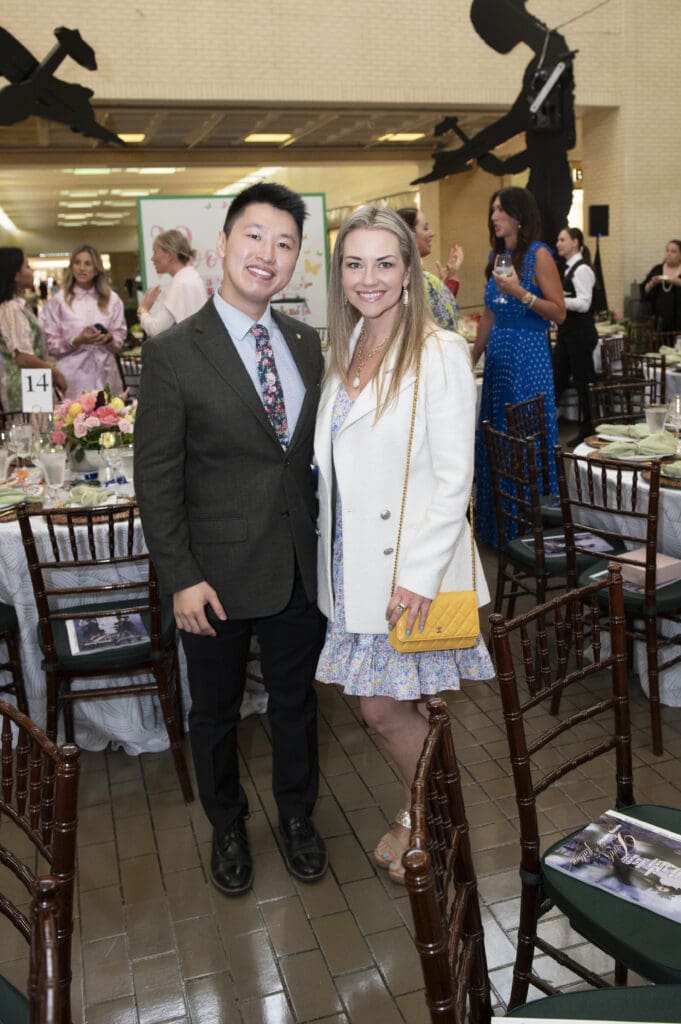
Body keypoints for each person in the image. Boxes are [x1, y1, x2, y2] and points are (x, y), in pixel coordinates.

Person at [134, 183, 327, 897]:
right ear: (222, 244)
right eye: (254, 237)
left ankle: (298, 818)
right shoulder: (175, 352)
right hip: (210, 577)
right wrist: (180, 575)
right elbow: (155, 477)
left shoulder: (306, 344)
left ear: (295, 260)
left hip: (296, 569)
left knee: (295, 704)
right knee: (213, 714)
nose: (266, 255)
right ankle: (227, 826)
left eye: (282, 243)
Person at [315, 205, 494, 884]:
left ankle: (432, 814)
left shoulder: (438, 351)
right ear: (339, 275)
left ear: (409, 271)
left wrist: (417, 575)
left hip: (406, 569)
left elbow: (455, 479)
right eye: (354, 264)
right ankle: (426, 811)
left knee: (378, 708)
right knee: (406, 705)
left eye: (384, 263)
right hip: (352, 563)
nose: (369, 278)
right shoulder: (345, 347)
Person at [472, 187, 566, 548]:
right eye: (492, 209)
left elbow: (559, 312)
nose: (494, 216)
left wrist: (520, 293)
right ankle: (498, 527)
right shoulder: (498, 255)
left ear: (518, 216)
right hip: (499, 359)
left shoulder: (539, 255)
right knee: (497, 437)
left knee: (524, 436)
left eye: (500, 210)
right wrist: (473, 357)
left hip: (529, 357)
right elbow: (491, 314)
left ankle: (529, 530)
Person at [40, 244, 127, 399]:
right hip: (72, 379)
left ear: (96, 269)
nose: (82, 268)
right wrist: (77, 340)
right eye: (77, 263)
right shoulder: (58, 301)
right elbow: (50, 344)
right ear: (71, 267)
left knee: (108, 421)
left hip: (105, 376)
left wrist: (109, 338)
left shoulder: (112, 299)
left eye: (88, 263)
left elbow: (120, 336)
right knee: (72, 421)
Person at [0, 247, 67, 411]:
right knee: (33, 433)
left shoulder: (18, 306)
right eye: (27, 266)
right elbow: (23, 357)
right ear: (16, 275)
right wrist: (56, 373)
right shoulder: (11, 309)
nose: (32, 271)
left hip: (33, 382)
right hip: (24, 386)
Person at [553, 227, 598, 446]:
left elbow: (584, 303)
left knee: (583, 382)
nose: (558, 244)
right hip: (567, 332)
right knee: (557, 377)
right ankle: (546, 426)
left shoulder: (582, 270)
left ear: (575, 242)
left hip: (580, 333)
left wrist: (559, 301)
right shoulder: (568, 268)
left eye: (562, 240)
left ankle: (589, 429)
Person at [396, 207, 461, 330]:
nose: (432, 233)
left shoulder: (414, 274)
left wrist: (446, 281)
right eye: (425, 228)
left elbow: (437, 311)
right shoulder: (408, 277)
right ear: (410, 235)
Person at [137, 229, 207, 337]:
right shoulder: (192, 277)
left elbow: (156, 329)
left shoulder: (180, 284)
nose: (152, 258)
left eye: (155, 252)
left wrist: (142, 310)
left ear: (169, 255)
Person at [641, 240, 681, 331]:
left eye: (673, 251)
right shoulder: (657, 269)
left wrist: (671, 279)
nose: (669, 254)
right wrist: (652, 283)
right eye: (667, 251)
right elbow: (644, 291)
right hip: (659, 320)